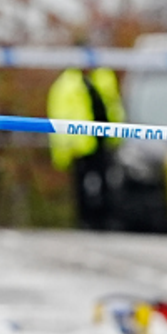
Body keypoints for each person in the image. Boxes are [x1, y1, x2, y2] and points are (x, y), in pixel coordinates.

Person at [47, 66, 124, 230]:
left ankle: (106, 220)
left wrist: (117, 137)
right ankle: (85, 221)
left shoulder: (104, 78)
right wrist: (64, 150)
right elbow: (59, 117)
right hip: (79, 146)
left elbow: (113, 107)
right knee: (82, 187)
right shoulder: (66, 85)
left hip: (103, 142)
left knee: (106, 183)